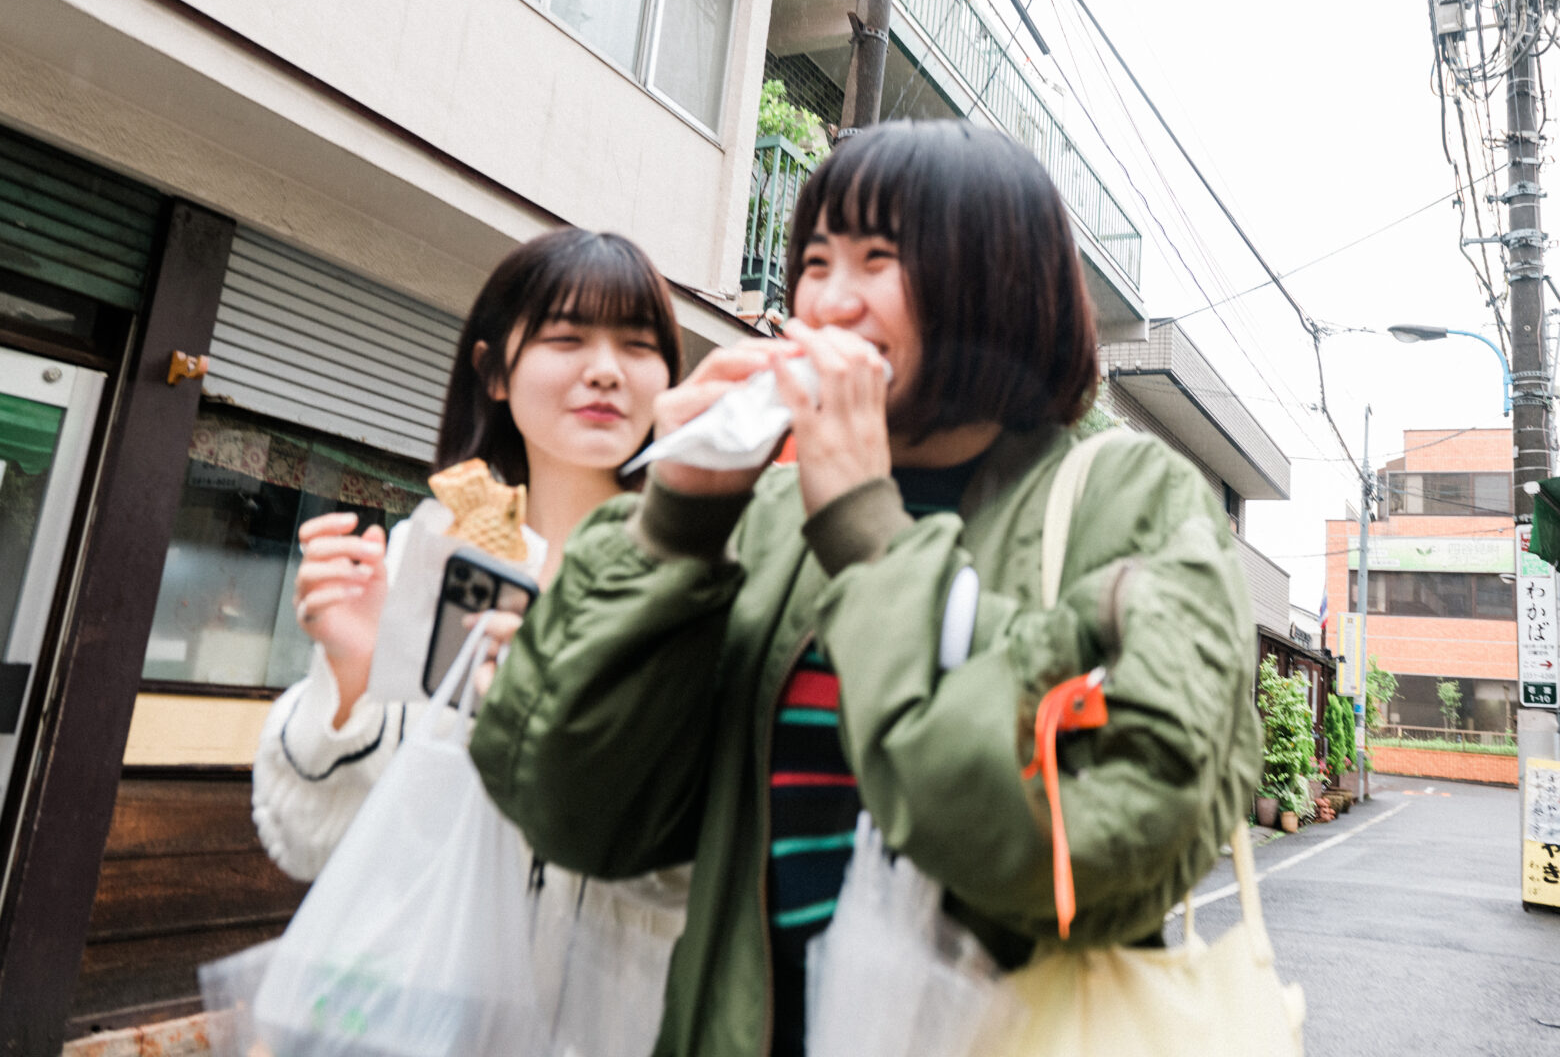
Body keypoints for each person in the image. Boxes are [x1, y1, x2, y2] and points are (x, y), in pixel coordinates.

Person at [470, 120, 1260, 1057]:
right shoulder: (766, 517)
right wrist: (674, 525)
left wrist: (871, 535)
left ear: (995, 281)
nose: (830, 301)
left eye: (878, 260)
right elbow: (576, 814)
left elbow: (1102, 849)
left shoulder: (1133, 498)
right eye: (814, 261)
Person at [251, 229, 690, 1043]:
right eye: (566, 337)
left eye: (639, 345)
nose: (606, 369)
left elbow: (702, 863)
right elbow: (311, 840)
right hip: (427, 1019)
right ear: (493, 371)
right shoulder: (441, 550)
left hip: (618, 1023)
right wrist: (352, 674)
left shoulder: (700, 574)